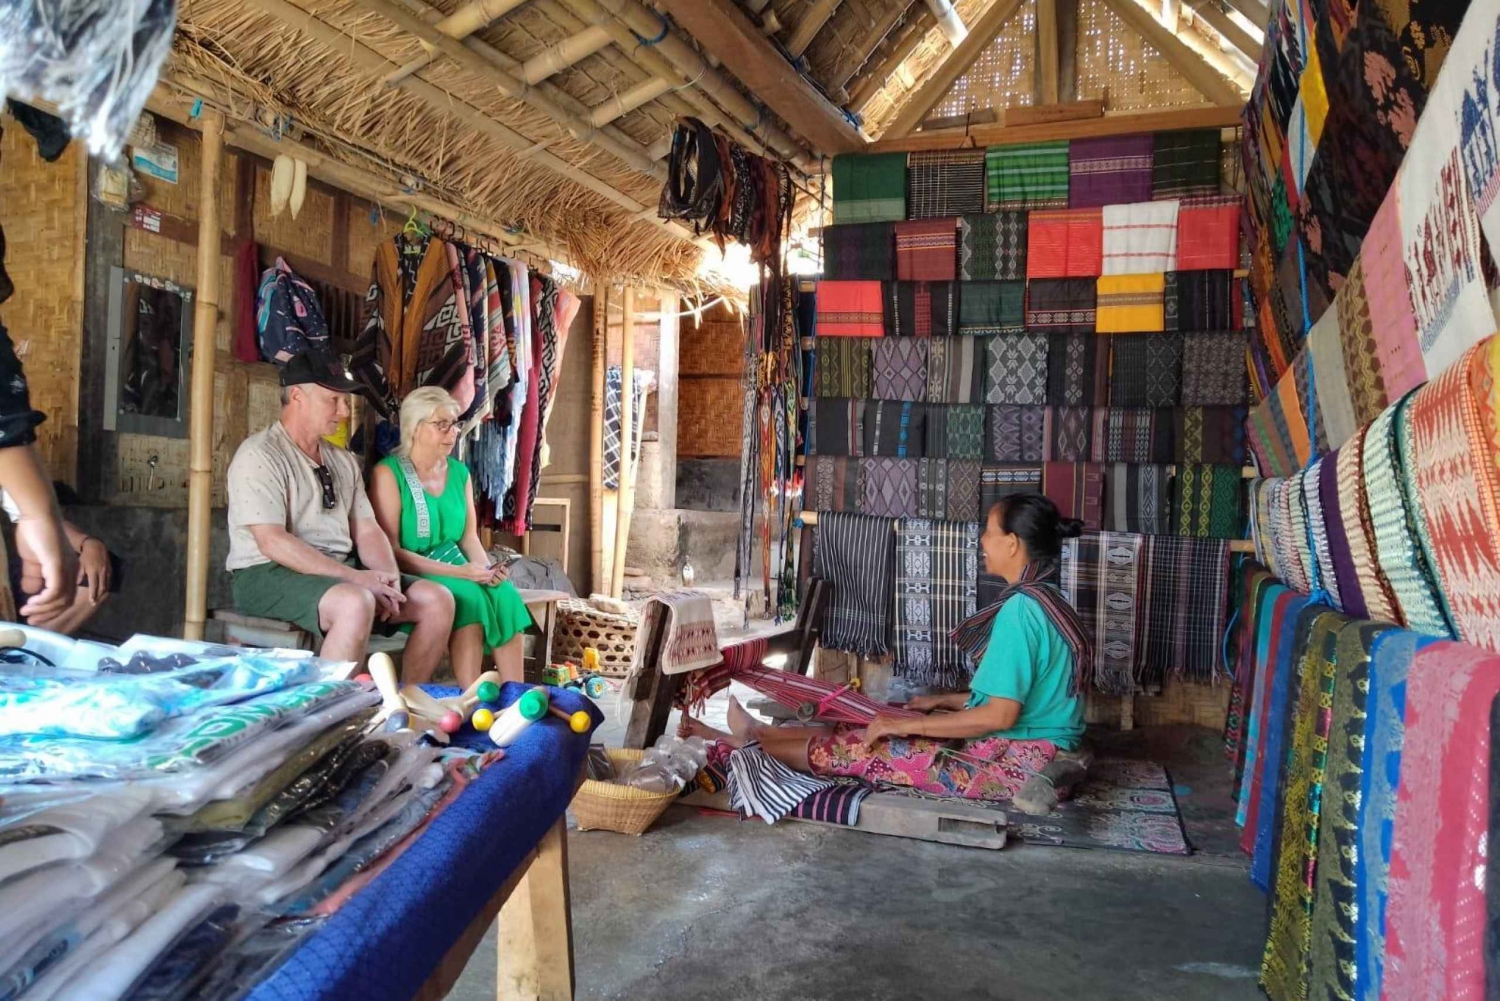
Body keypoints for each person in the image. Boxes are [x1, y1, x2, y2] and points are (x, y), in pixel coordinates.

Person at [685, 493, 1089, 804]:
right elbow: (1025, 695)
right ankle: (754, 735)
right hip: (1034, 749)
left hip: (1014, 764)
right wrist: (945, 700)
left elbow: (1001, 713)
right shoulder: (1050, 600)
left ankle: (741, 745)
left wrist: (907, 724)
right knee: (861, 728)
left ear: (1013, 544)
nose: (982, 540)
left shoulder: (1021, 611)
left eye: (989, 531)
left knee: (861, 749)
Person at [225, 353, 454, 680]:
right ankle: (329, 716)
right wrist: (358, 579)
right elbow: (272, 542)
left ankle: (405, 704)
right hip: (266, 573)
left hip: (340, 570)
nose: (344, 411)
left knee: (437, 600)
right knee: (356, 602)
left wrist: (386, 577)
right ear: (297, 397)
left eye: (345, 401)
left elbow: (367, 529)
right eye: (333, 400)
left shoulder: (342, 461)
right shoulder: (259, 454)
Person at [368, 387, 533, 687]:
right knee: (467, 596)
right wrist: (462, 573)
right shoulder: (388, 474)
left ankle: (515, 697)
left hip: (457, 565)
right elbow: (391, 550)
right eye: (441, 424)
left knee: (505, 594)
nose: (452, 431)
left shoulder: (459, 473)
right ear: (414, 428)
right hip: (410, 569)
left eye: (454, 423)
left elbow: (469, 537)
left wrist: (486, 571)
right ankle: (469, 698)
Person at [3, 484, 120, 635]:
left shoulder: (7, 479)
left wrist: (88, 543)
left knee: (98, 568)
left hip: (8, 583)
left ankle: (30, 645)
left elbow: (42, 521)